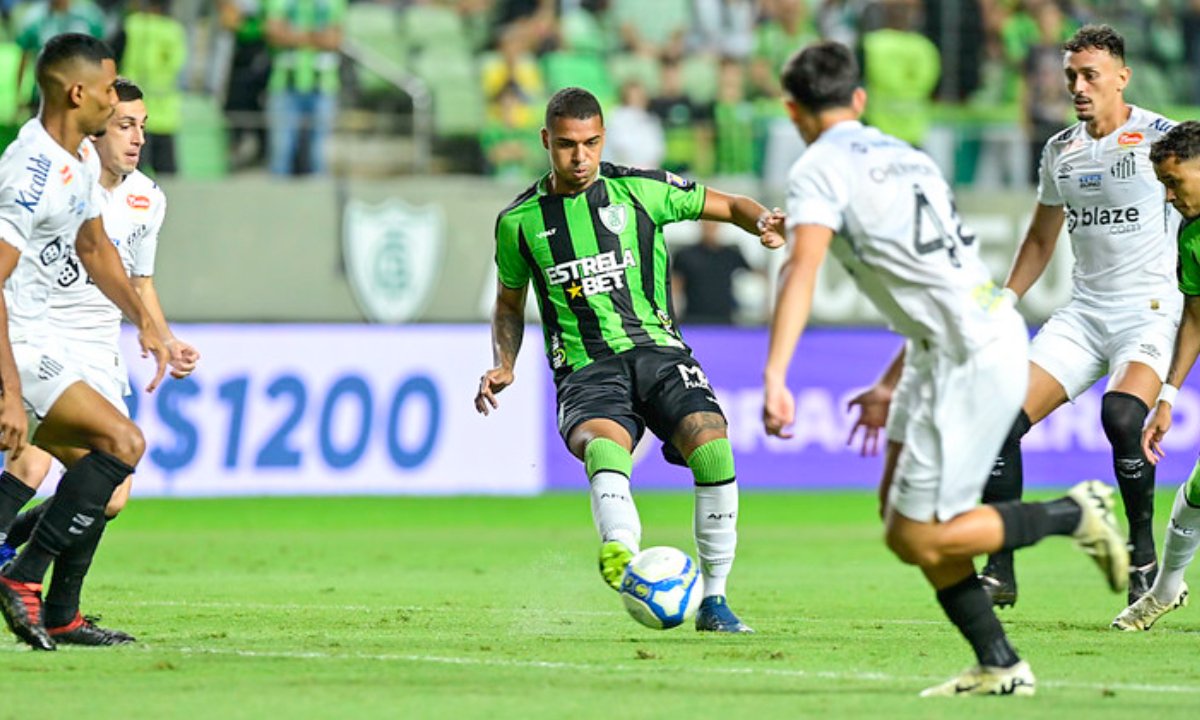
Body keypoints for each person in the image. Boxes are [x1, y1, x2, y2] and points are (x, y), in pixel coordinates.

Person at [761, 40, 1127, 697]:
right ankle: (1000, 664)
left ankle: (1072, 514)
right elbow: (941, 280)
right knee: (900, 521)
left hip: (968, 354)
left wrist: (774, 375)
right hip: (954, 340)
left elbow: (801, 265)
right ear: (861, 99)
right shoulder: (909, 157)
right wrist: (889, 381)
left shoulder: (818, 167)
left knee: (918, 533)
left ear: (793, 110)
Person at [475, 86, 785, 634]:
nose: (581, 158)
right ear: (546, 141)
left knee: (711, 443)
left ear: (603, 139)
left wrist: (761, 221)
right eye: (568, 145)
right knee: (604, 443)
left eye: (591, 143)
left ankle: (714, 601)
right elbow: (507, 303)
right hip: (585, 367)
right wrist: (505, 361)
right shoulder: (518, 222)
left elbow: (731, 205)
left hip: (658, 351)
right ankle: (620, 547)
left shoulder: (640, 190)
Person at [979, 25, 1179, 609]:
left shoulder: (1162, 140)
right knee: (998, 424)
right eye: (1071, 75)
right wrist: (1007, 299)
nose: (1078, 86)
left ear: (1123, 76)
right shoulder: (1059, 150)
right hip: (1084, 314)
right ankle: (1000, 569)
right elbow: (1040, 240)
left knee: (1120, 417)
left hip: (1150, 310)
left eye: (1091, 74)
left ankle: (1143, 558)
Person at [0, 77, 198, 645]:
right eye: (124, 125)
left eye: (142, 126)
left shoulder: (147, 198)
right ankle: (42, 595)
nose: (136, 138)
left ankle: (38, 586)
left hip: (98, 346)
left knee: (109, 493)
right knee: (33, 465)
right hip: (44, 338)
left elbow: (140, 278)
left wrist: (160, 334)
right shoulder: (59, 169)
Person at [1112, 120, 1200, 631]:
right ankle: (1164, 591)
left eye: (1174, 182)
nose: (1168, 197)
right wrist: (1167, 396)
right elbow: (1195, 316)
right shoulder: (1191, 236)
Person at [671, 220, 750, 325]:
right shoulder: (685, 255)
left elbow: (755, 276)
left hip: (724, 319)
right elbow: (676, 285)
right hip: (693, 319)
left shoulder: (731, 255)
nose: (710, 228)